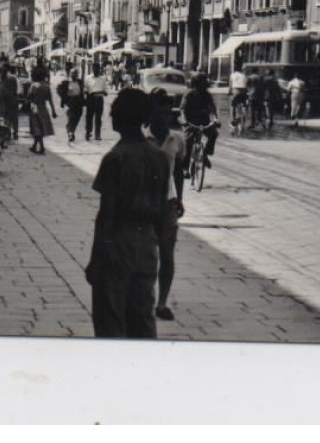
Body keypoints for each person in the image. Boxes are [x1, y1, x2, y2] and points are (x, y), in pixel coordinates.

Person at [85, 88, 170, 339]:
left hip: (117, 243)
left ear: (121, 117)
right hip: (146, 245)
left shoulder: (116, 158)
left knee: (110, 320)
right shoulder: (159, 157)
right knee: (142, 320)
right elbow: (163, 212)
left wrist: (96, 259)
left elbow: (106, 216)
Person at [146, 90, 185, 322]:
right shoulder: (142, 138)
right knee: (146, 254)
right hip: (144, 204)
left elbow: (179, 171)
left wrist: (180, 199)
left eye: (165, 111)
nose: (162, 117)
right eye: (157, 111)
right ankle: (146, 297)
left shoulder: (177, 139)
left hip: (168, 203)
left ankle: (162, 302)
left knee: (167, 254)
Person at [182, 72, 219, 163]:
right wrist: (184, 120)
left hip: (204, 121)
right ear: (197, 83)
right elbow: (182, 109)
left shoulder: (207, 95)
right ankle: (185, 167)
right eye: (203, 82)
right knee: (188, 142)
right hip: (191, 121)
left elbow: (212, 109)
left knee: (214, 134)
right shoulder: (189, 94)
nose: (205, 84)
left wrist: (215, 119)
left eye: (205, 82)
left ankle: (205, 153)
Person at [27, 68, 56, 155]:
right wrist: (53, 111)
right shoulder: (47, 87)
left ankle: (41, 147)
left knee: (37, 128)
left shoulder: (34, 86)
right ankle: (34, 145)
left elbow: (29, 97)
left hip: (35, 108)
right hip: (43, 108)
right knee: (40, 128)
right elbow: (50, 100)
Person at [84, 64, 109, 141]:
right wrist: (88, 93)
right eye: (95, 69)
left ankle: (97, 135)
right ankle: (88, 132)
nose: (96, 71)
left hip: (99, 100)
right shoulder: (88, 78)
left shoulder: (103, 79)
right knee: (89, 118)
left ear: (100, 69)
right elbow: (85, 89)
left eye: (97, 69)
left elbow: (106, 91)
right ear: (92, 69)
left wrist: (102, 92)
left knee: (98, 119)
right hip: (90, 99)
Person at [64, 69, 86, 143]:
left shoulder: (80, 82)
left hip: (78, 102)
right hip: (70, 102)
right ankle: (70, 132)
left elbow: (82, 91)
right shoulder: (66, 83)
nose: (74, 76)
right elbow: (61, 92)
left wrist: (84, 101)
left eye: (75, 74)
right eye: (72, 74)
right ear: (70, 74)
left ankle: (71, 130)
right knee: (71, 118)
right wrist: (65, 100)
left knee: (77, 118)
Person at [0, 66, 20, 142]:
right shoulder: (13, 78)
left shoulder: (2, 80)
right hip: (13, 99)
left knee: (7, 118)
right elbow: (17, 90)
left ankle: (8, 134)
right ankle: (15, 133)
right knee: (14, 118)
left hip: (5, 100)